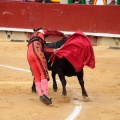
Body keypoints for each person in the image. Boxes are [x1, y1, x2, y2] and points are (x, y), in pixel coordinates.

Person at [27, 28, 64, 105]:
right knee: (44, 74)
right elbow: (52, 31)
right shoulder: (42, 31)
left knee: (37, 76)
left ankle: (41, 95)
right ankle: (46, 95)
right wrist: (62, 34)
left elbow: (43, 48)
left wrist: (54, 50)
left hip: (29, 55)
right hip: (37, 53)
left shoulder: (32, 36)